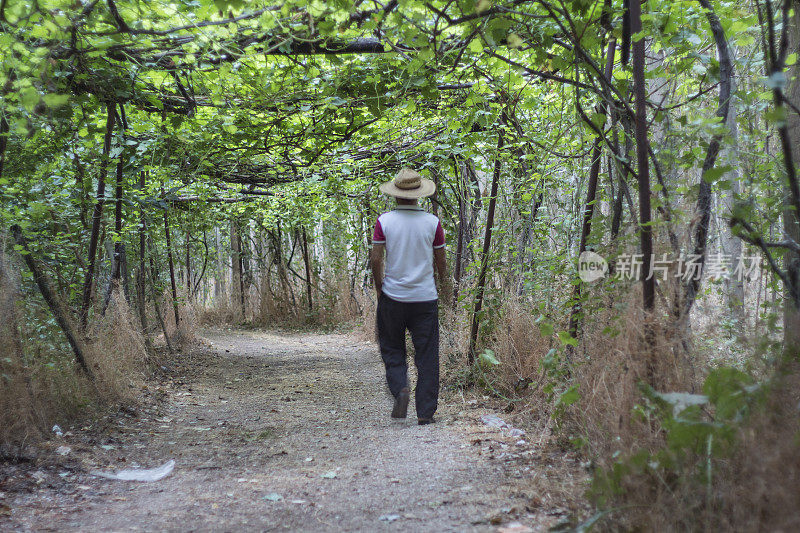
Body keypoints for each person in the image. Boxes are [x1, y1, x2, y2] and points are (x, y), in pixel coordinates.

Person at [370, 167, 450, 425]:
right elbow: (441, 262)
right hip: (425, 298)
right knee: (427, 354)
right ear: (419, 195)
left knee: (392, 347)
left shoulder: (385, 221)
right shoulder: (432, 223)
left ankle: (400, 388)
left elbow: (375, 258)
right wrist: (445, 288)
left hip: (393, 296)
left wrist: (380, 286)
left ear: (395, 195)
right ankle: (425, 412)